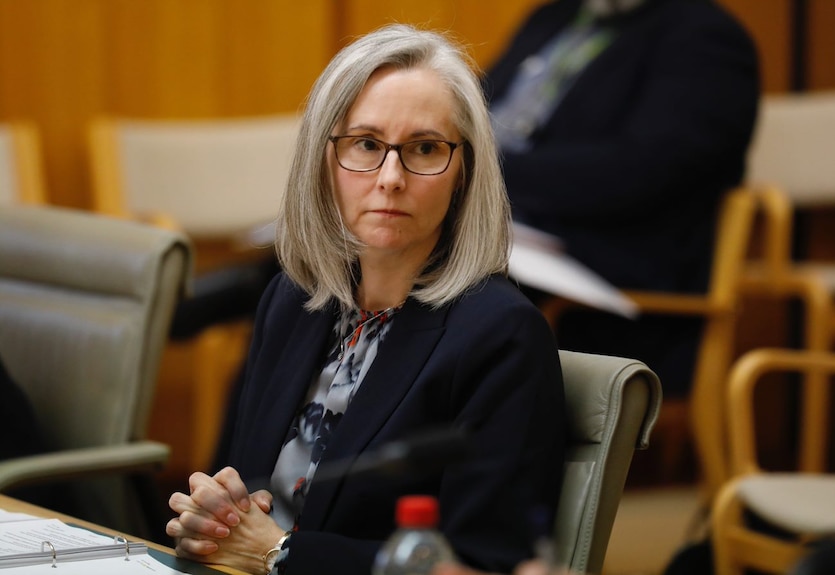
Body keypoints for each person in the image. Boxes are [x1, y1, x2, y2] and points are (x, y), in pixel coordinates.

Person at [165, 24, 567, 575]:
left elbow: (484, 562)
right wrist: (207, 517)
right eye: (366, 145)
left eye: (425, 148)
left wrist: (278, 555)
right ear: (324, 160)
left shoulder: (502, 335)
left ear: (464, 172)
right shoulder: (293, 299)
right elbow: (234, 485)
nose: (391, 177)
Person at [484, 0, 760, 399]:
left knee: (452, 276)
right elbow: (469, 111)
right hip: (512, 229)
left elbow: (643, 171)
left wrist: (481, 171)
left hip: (609, 270)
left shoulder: (705, 36)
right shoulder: (552, 16)